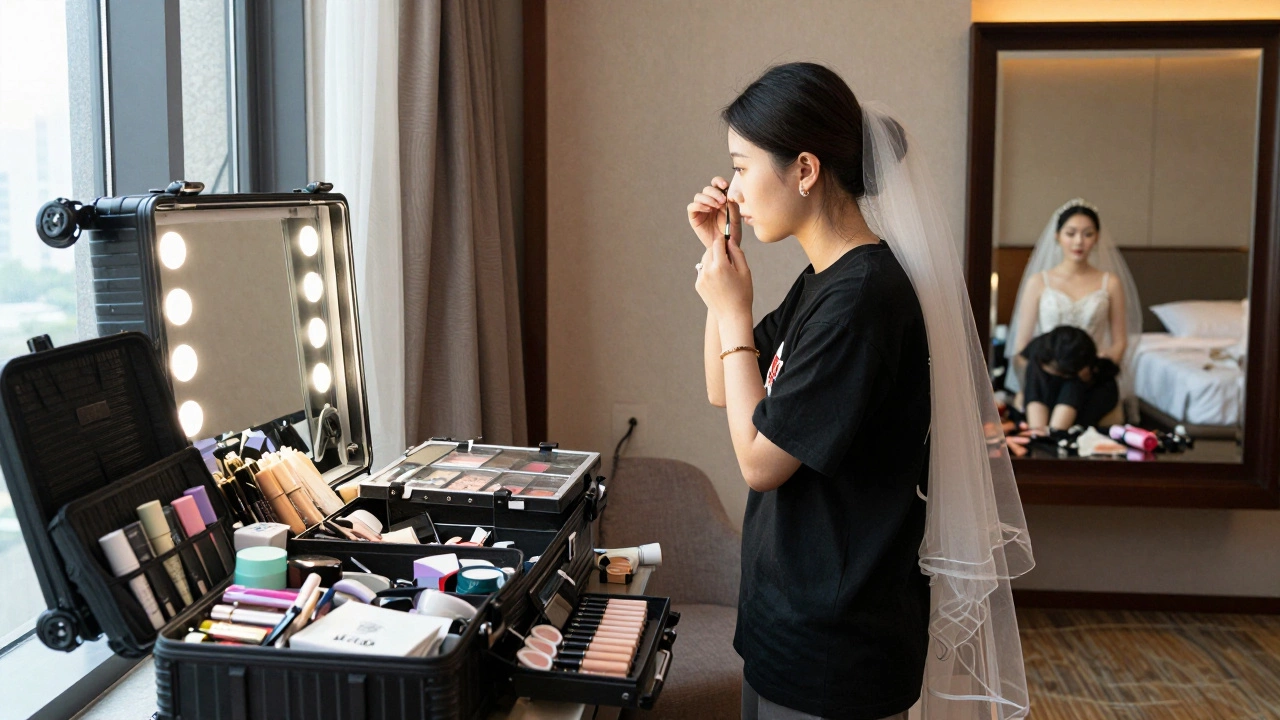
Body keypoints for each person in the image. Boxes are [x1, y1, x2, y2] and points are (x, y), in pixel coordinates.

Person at [688, 62, 1034, 720]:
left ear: (805, 170)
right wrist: (719, 261)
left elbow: (760, 462)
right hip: (785, 619)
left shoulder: (864, 299)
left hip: (837, 643)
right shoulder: (825, 281)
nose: (733, 189)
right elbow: (722, 388)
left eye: (741, 166)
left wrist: (733, 310)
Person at [1005, 199, 1143, 421]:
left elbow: (1120, 343)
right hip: (1047, 373)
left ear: (1097, 237)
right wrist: (1049, 368)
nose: (1079, 241)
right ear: (1057, 236)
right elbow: (1022, 346)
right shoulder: (1038, 282)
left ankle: (1054, 430)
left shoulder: (1110, 283)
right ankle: (1043, 430)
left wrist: (1094, 366)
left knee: (1078, 377)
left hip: (1089, 375)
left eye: (1088, 234)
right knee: (1039, 368)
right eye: (1071, 233)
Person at [1020, 326, 1120, 431]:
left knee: (1072, 385)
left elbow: (1059, 426)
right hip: (1052, 404)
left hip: (1082, 402)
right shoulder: (1040, 351)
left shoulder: (1082, 379)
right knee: (1035, 374)